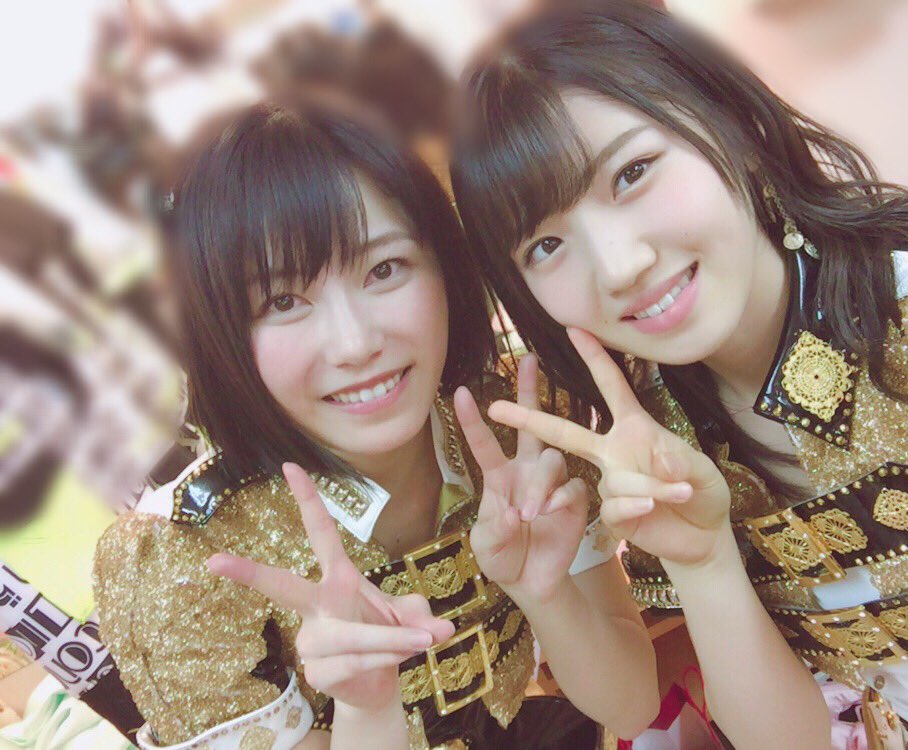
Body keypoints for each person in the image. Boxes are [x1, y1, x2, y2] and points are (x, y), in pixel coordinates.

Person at [450, 1, 908, 748]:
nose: (619, 266)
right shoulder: (659, 442)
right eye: (545, 245)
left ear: (732, 126)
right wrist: (706, 563)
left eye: (632, 173)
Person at [93, 100, 660, 749]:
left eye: (384, 269)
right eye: (283, 300)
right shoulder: (189, 557)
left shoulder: (514, 430)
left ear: (446, 268)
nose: (355, 343)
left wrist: (548, 594)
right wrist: (366, 711)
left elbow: (632, 706)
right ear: (218, 334)